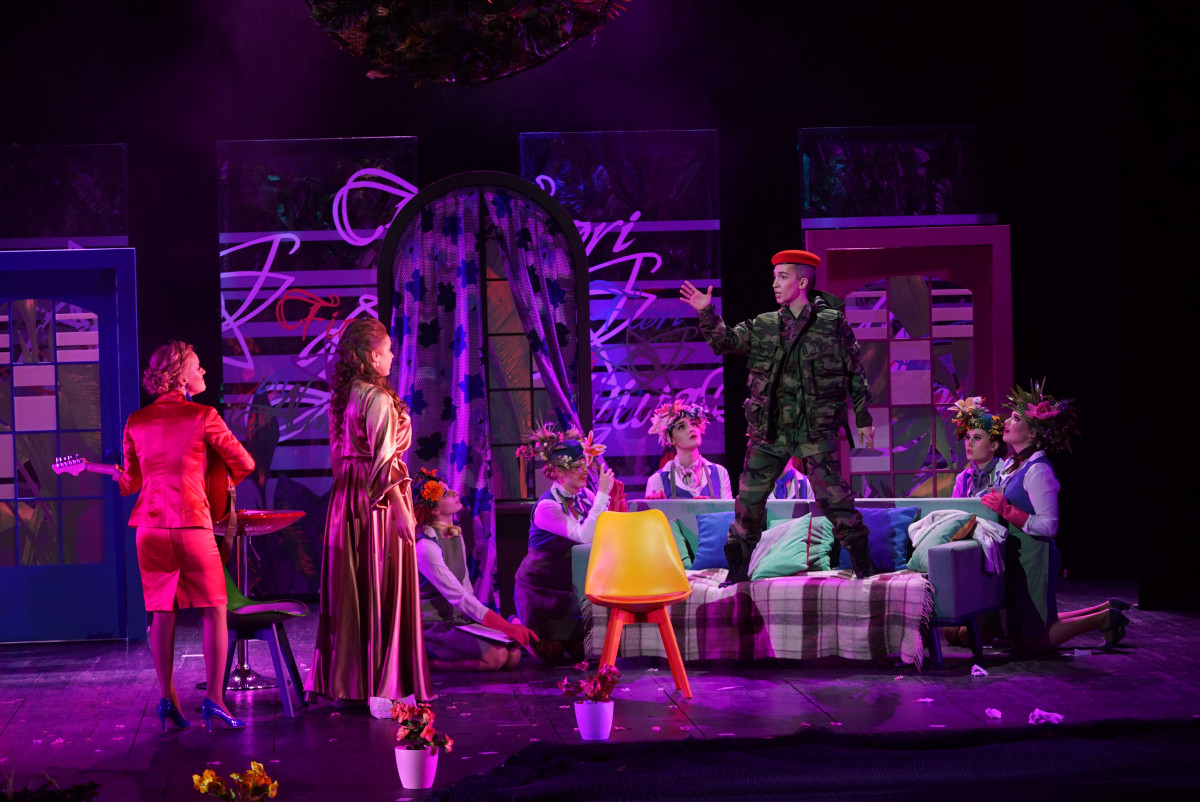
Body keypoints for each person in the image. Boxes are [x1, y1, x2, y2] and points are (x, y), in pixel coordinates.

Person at [681, 249, 875, 583]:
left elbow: (855, 370)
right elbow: (725, 342)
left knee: (834, 498)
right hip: (769, 430)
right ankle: (737, 572)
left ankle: (863, 566)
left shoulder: (831, 323)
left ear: (802, 282)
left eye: (782, 277)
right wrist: (706, 312)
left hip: (814, 428)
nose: (775, 284)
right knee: (749, 501)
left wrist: (863, 417)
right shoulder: (765, 324)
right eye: (774, 277)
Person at [118, 341, 254, 732]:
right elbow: (245, 462)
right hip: (191, 523)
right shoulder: (204, 415)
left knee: (162, 612)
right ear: (180, 376)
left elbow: (130, 482)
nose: (204, 371)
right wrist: (215, 479)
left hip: (149, 530)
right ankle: (214, 699)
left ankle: (168, 697)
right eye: (197, 366)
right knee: (214, 610)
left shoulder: (136, 420)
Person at [305, 318, 434, 703]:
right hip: (377, 499)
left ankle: (352, 682)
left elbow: (337, 457)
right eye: (389, 350)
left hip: (346, 496)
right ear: (373, 356)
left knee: (353, 586)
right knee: (379, 582)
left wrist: (346, 497)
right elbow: (383, 460)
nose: (393, 356)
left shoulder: (344, 396)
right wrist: (401, 510)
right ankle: (383, 683)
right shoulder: (376, 397)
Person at [981, 380, 1129, 654]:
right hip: (1019, 556)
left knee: (1029, 643)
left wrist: (1007, 510)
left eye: (1016, 418)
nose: (1007, 422)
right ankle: (1102, 610)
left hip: (1036, 557)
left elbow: (1049, 526)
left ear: (1033, 433)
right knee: (1027, 629)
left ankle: (1103, 619)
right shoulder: (1014, 465)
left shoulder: (1039, 470)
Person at [411, 467, 538, 670]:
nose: (455, 493)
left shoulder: (455, 535)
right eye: (446, 494)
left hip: (458, 619)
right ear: (434, 510)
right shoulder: (426, 546)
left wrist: (483, 625)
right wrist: (503, 626)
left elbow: (466, 588)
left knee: (513, 655)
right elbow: (458, 596)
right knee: (496, 658)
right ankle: (427, 664)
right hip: (435, 625)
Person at [513, 424, 615, 663]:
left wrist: (605, 501)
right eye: (577, 467)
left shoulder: (585, 496)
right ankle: (518, 624)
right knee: (552, 654)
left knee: (583, 652)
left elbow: (601, 530)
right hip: (539, 591)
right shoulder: (547, 507)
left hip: (567, 590)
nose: (584, 471)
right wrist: (602, 495)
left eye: (585, 465)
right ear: (559, 472)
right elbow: (583, 536)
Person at [643, 399, 732, 499]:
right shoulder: (658, 480)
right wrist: (657, 506)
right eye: (681, 427)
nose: (691, 429)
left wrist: (708, 507)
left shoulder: (719, 473)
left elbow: (729, 509)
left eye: (693, 424)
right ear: (671, 439)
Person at [949, 396, 1006, 497]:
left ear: (994, 445)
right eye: (967, 437)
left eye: (977, 438)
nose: (969, 443)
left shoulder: (1005, 474)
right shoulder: (963, 478)